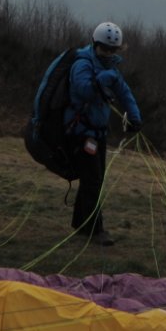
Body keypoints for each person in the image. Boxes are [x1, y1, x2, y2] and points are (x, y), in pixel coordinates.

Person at [64, 21, 143, 246]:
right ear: (95, 44)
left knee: (93, 179)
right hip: (80, 132)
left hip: (97, 133)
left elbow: (125, 93)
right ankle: (94, 230)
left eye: (112, 50)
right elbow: (83, 91)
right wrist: (103, 79)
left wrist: (135, 117)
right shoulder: (82, 64)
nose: (108, 53)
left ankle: (81, 224)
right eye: (104, 49)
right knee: (93, 180)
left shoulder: (111, 70)